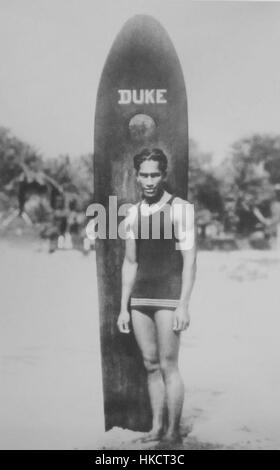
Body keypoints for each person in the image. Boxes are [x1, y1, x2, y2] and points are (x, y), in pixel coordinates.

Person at [117, 148, 197, 444]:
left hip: (168, 297)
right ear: (136, 176)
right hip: (140, 298)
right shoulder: (132, 214)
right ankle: (156, 428)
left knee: (168, 365)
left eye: (154, 174)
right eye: (144, 175)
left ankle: (173, 433)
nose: (149, 180)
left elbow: (190, 261)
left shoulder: (181, 209)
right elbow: (130, 263)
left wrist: (184, 304)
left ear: (163, 175)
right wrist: (123, 308)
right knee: (150, 364)